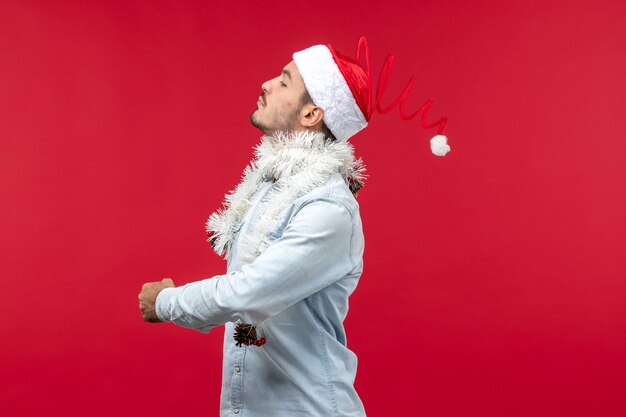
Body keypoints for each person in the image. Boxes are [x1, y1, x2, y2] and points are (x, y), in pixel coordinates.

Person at [139, 40, 372, 417]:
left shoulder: (328, 207)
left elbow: (248, 293)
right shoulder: (272, 184)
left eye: (284, 82)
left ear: (311, 113)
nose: (266, 84)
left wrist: (166, 303)